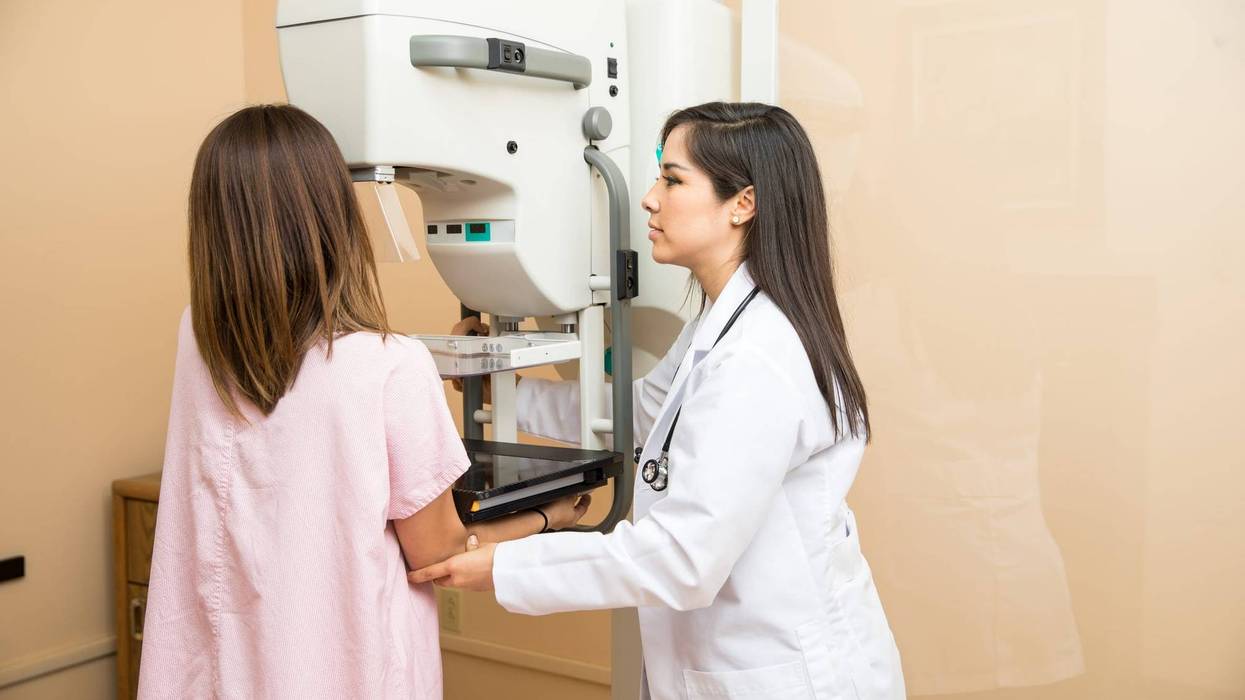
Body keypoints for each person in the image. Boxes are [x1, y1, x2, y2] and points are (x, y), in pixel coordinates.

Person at [411, 102, 906, 699]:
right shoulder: (721, 325)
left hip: (784, 675)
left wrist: (505, 566)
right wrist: (499, 385)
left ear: (742, 204)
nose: (648, 199)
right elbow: (642, 413)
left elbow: (683, 558)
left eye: (672, 180)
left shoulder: (756, 358)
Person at [138, 104, 589, 699]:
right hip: (342, 673)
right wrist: (552, 516)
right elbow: (438, 553)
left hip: (230, 671)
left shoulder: (198, 337)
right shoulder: (392, 366)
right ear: (332, 216)